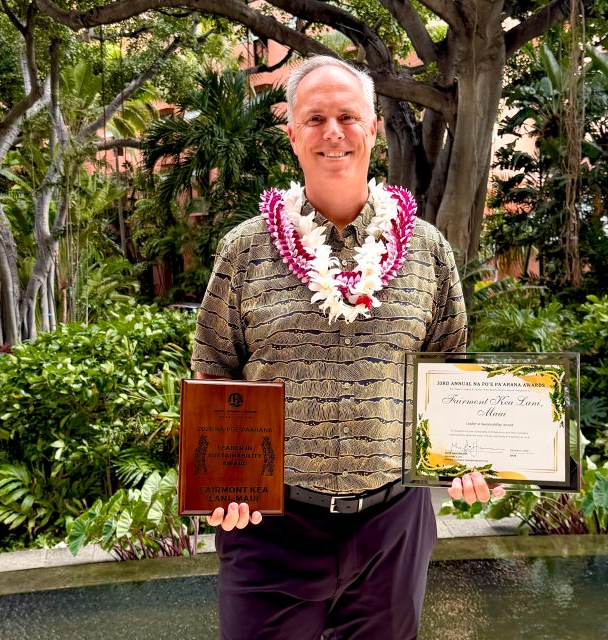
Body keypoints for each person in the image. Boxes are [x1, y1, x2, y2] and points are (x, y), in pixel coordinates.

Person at [191, 55, 501, 640]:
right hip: (269, 528)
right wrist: (217, 483)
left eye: (348, 116)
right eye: (315, 119)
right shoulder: (244, 251)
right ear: (292, 136)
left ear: (374, 130)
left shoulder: (428, 251)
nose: (333, 132)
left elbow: (450, 375)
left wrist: (479, 460)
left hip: (393, 528)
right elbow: (213, 373)